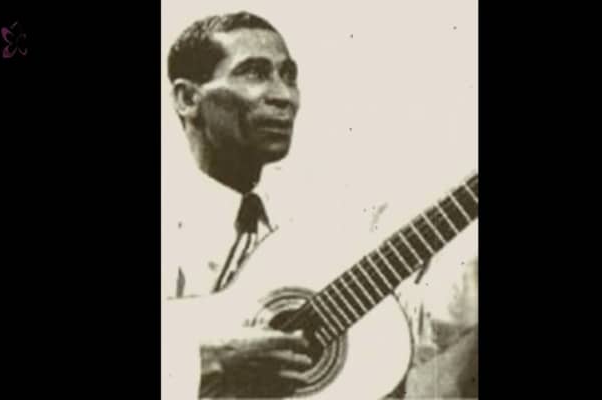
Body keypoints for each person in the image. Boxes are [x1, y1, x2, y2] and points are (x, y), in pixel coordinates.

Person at [161, 11, 477, 399]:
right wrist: (204, 358)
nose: (283, 96)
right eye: (254, 73)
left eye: (289, 76)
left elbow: (402, 334)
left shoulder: (309, 237)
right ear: (187, 98)